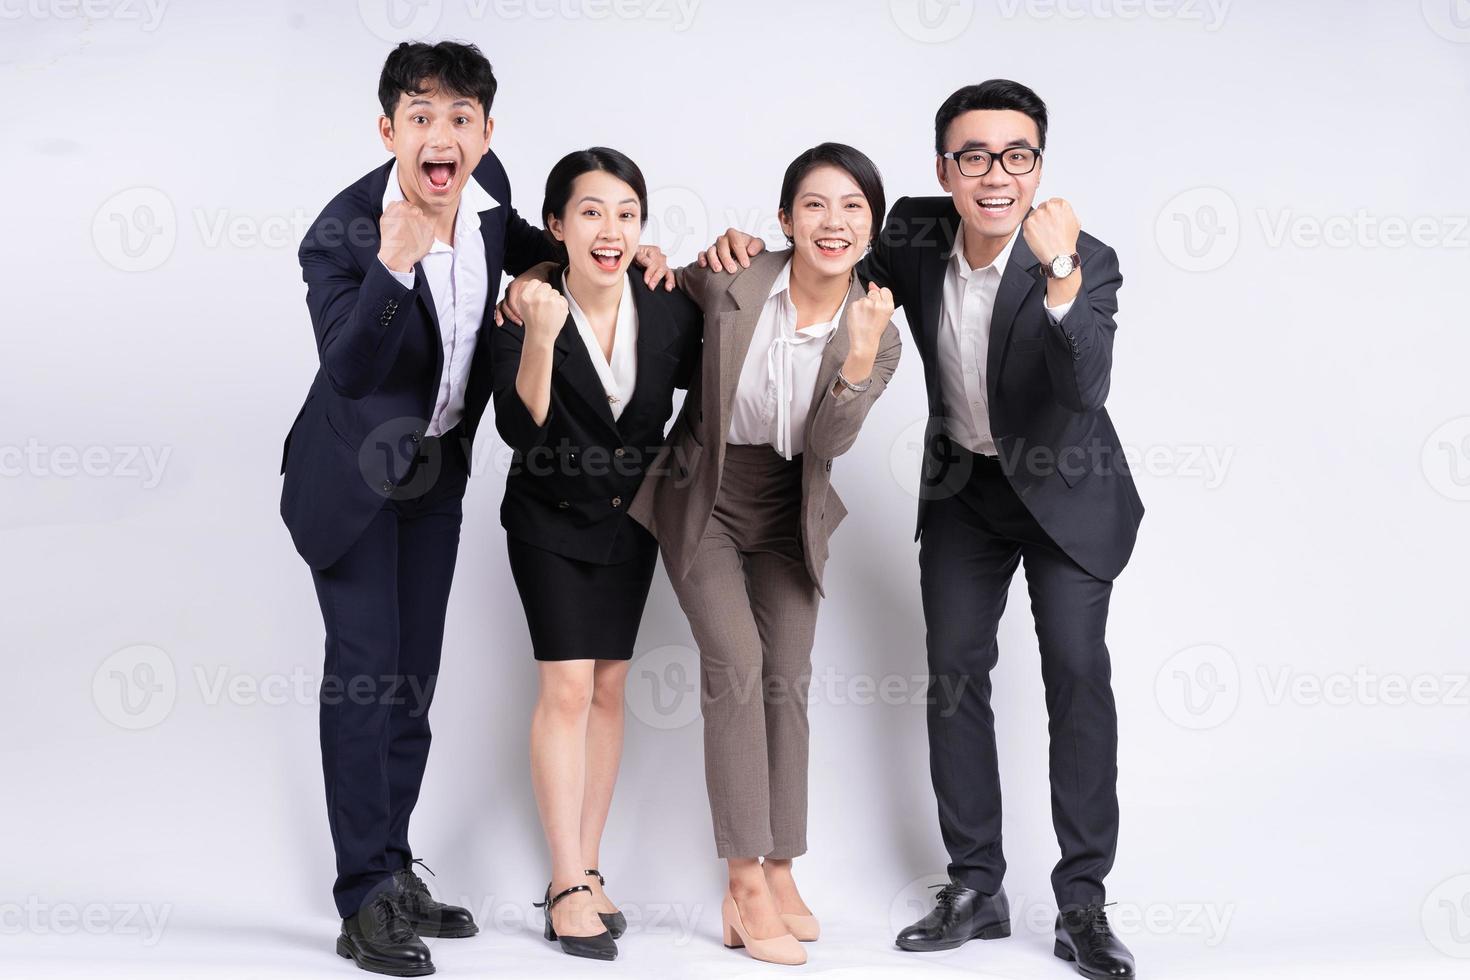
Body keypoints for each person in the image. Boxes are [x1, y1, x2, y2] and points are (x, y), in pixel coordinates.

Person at [704, 81, 1143, 980]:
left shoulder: (1084, 260)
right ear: (945, 168)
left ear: (1038, 166)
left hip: (1067, 497)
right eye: (972, 156)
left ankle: (1082, 903)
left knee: (1074, 674)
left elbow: (1086, 386)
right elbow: (827, 260)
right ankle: (977, 887)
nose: (995, 174)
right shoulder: (910, 230)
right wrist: (746, 249)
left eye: (1015, 154)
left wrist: (1059, 277)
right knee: (953, 675)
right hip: (966, 493)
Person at [278, 42, 669, 976]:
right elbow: (350, 367)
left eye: (460, 119)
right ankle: (362, 898)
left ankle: (392, 865)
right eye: (421, 118)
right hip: (352, 486)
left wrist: (623, 249)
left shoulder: (489, 198)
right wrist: (393, 271)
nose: (441, 136)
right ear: (388, 131)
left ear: (487, 133)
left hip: (435, 482)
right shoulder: (340, 234)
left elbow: (550, 250)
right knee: (367, 678)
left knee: (414, 680)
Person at [632, 143, 900, 966]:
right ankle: (743, 885)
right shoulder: (732, 279)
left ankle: (782, 867)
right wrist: (647, 255)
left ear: (872, 228)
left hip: (792, 506)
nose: (834, 222)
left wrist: (857, 355)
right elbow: (648, 294)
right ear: (785, 219)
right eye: (815, 205)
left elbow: (826, 439)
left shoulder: (877, 332)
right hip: (707, 491)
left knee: (788, 675)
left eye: (853, 208)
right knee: (736, 665)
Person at [489, 147, 702, 961]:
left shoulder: (667, 305)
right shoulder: (524, 309)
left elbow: (709, 383)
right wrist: (540, 333)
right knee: (568, 689)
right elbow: (519, 427)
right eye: (590, 212)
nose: (609, 230)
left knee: (610, 689)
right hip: (548, 521)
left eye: (626, 214)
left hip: (630, 524)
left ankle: (589, 866)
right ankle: (563, 882)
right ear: (556, 226)